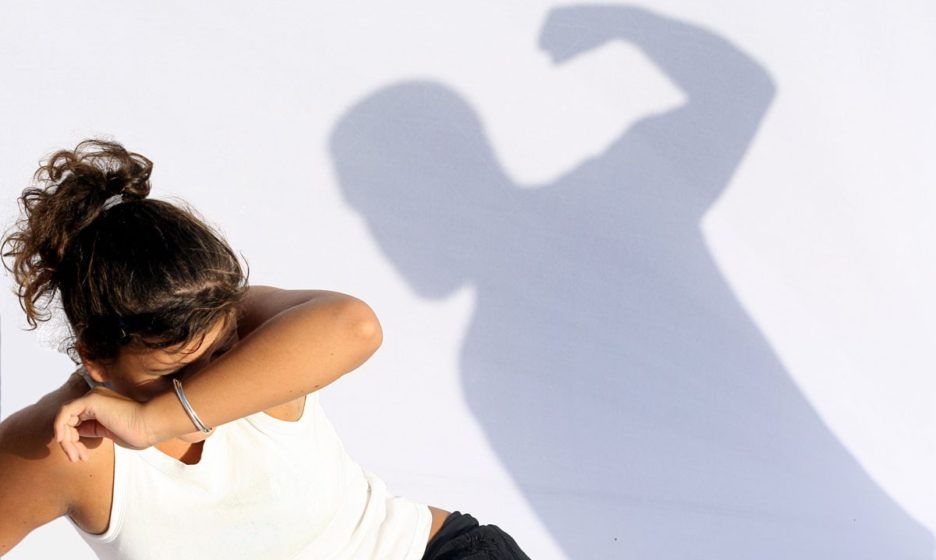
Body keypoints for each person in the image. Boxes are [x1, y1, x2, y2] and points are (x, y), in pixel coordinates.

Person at [0, 139, 531, 559]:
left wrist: (153, 420)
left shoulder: (259, 333)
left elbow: (357, 326)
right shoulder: (63, 450)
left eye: (221, 350)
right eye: (174, 370)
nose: (207, 381)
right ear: (94, 358)